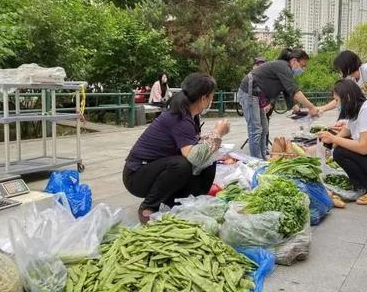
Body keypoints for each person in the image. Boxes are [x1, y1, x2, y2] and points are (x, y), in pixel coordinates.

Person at [123, 73, 230, 223]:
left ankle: (182, 203)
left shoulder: (192, 115)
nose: (212, 100)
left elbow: (198, 150)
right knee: (182, 165)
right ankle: (149, 207)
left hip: (156, 169)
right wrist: (217, 133)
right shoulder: (179, 117)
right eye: (211, 96)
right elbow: (193, 156)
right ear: (204, 98)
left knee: (208, 160)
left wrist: (210, 143)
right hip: (137, 175)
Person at [238, 48, 320, 159]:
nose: (303, 69)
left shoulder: (285, 68)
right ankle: (255, 162)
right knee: (256, 129)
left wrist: (294, 106)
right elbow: (294, 91)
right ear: (294, 61)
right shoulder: (283, 67)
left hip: (258, 96)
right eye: (303, 66)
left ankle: (262, 158)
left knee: (264, 128)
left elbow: (286, 90)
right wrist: (311, 107)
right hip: (249, 93)